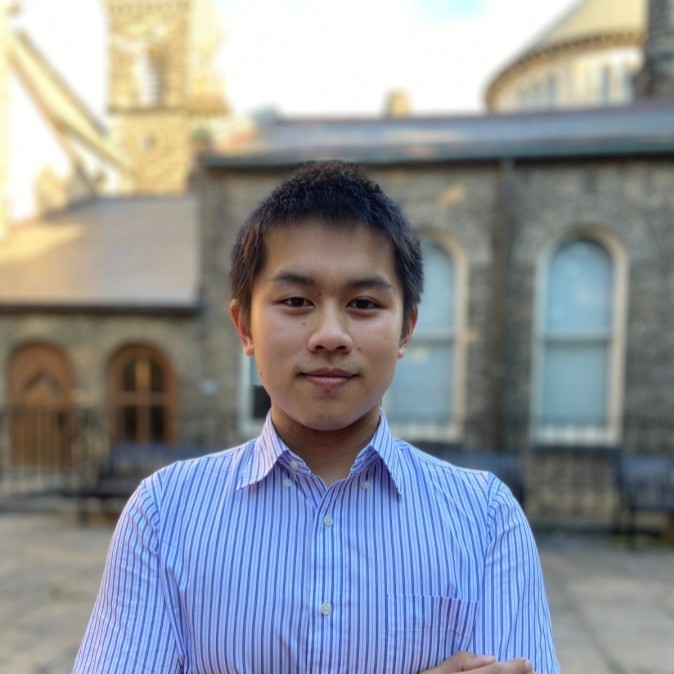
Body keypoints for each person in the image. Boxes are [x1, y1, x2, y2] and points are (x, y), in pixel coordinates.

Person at [73, 161, 560, 674]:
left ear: (406, 329)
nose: (330, 334)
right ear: (245, 327)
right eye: (297, 300)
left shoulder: (485, 521)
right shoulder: (164, 515)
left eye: (364, 303)